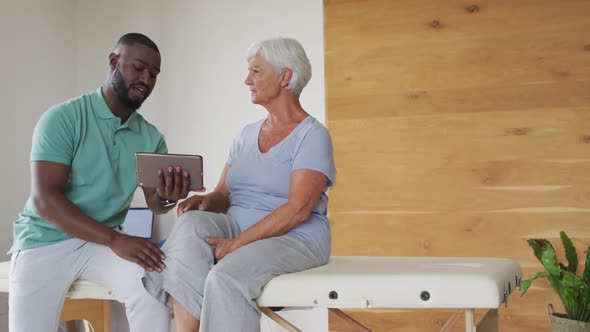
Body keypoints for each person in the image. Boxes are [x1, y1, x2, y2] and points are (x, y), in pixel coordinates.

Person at [142, 37, 337, 331]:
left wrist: (238, 245)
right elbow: (223, 195)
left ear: (285, 76)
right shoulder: (245, 135)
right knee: (190, 225)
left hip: (296, 238)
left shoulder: (312, 136)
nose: (247, 80)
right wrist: (206, 202)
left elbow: (298, 209)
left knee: (225, 277)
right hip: (238, 227)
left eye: (256, 71)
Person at [8, 33, 191, 332]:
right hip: (45, 241)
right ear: (113, 62)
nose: (146, 79)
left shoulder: (151, 138)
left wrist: (169, 197)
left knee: (154, 289)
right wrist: (116, 239)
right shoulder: (63, 118)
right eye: (138, 67)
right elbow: (45, 200)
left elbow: (155, 203)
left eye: (154, 74)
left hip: (101, 244)